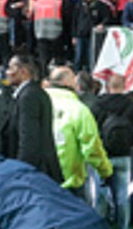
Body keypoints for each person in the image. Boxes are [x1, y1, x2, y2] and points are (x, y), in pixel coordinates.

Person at [92, 73, 133, 229]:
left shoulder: (98, 105)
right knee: (122, 195)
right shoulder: (132, 106)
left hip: (102, 155)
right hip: (124, 156)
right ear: (125, 85)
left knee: (101, 195)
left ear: (107, 86)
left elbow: (91, 129)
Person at [46, 66, 113, 204]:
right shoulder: (78, 109)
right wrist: (105, 171)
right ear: (69, 83)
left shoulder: (35, 103)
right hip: (70, 183)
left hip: (39, 181)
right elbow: (92, 147)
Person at [0, 54, 62, 184]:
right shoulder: (31, 93)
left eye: (11, 68)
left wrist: (20, 173)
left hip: (34, 174)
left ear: (24, 72)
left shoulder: (29, 97)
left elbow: (29, 141)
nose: (7, 72)